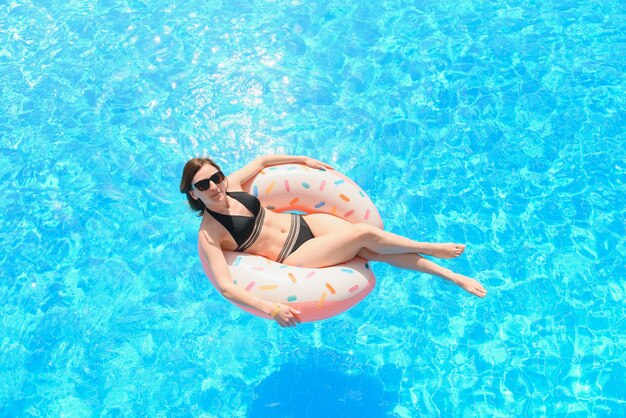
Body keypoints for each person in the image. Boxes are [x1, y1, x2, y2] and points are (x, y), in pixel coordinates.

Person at [180, 155, 487, 327]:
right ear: (193, 193)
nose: (214, 187)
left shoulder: (230, 186)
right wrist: (270, 309)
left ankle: (453, 276)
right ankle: (431, 248)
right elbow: (225, 287)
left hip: (303, 223)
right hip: (295, 252)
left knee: (371, 249)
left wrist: (302, 160)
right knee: (363, 235)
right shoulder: (211, 234)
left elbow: (262, 162)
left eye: (216, 178)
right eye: (203, 185)